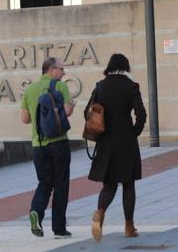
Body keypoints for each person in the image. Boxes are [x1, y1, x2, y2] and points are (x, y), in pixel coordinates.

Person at [86, 53, 146, 242]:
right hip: (126, 142)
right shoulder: (131, 86)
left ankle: (100, 212)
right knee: (128, 184)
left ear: (109, 67)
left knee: (109, 184)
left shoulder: (100, 87)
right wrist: (134, 131)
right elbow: (141, 114)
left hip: (106, 141)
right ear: (126, 67)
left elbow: (87, 112)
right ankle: (129, 226)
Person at [20, 57, 76, 239]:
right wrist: (71, 106)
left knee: (44, 183)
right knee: (61, 185)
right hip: (58, 143)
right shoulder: (61, 86)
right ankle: (59, 229)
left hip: (38, 146)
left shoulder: (29, 89)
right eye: (61, 69)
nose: (64, 73)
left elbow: (25, 119)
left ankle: (36, 211)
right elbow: (67, 112)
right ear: (52, 70)